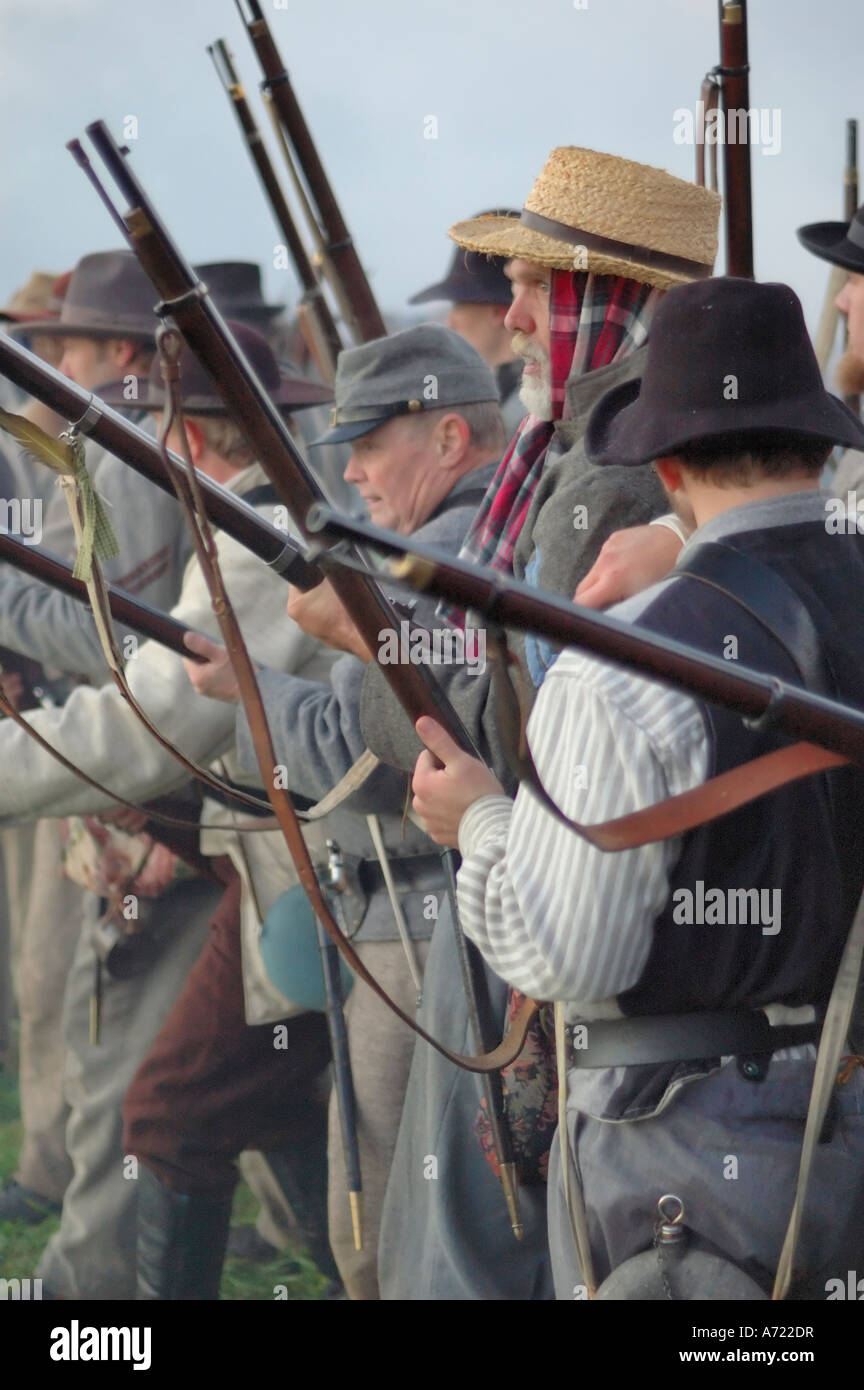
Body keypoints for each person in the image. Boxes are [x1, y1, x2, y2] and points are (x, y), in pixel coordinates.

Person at [288, 145, 720, 1299]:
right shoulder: (568, 452)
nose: (516, 313)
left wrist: (362, 636)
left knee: (485, 1254)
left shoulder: (615, 466)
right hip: (522, 883)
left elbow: (489, 702)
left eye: (543, 283)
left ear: (612, 297)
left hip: (547, 898)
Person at [411, 276, 864, 1299]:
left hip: (697, 1153)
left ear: (664, 467)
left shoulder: (624, 665)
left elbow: (573, 954)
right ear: (819, 444)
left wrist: (484, 823)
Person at [180, 323, 544, 1298]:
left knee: (395, 1226)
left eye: (371, 441)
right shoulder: (471, 541)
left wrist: (254, 689)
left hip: (421, 914)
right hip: (420, 901)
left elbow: (368, 752)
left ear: (449, 440)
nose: (353, 470)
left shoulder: (426, 558)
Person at [0, 321, 333, 1299]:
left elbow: (156, 722)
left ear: (182, 438)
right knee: (260, 1112)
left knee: (176, 1110)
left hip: (327, 881)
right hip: (278, 875)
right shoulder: (244, 523)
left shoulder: (256, 541)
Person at [409, 211, 525, 432]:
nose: (450, 323)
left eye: (459, 306)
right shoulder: (508, 393)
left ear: (498, 312)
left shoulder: (530, 410)